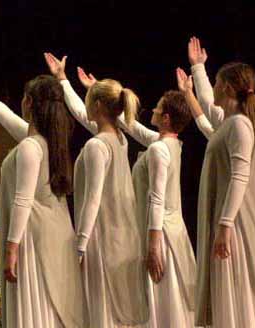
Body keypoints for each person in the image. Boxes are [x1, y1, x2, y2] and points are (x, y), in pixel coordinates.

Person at [0, 72, 86, 327]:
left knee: (38, 307)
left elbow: (22, 200)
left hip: (33, 240)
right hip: (51, 234)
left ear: (31, 103)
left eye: (24, 97)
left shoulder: (31, 146)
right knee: (48, 305)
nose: (21, 102)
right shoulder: (43, 142)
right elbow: (6, 117)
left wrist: (11, 248)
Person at [44, 52, 150, 327]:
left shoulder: (96, 146)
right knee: (115, 310)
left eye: (91, 100)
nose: (86, 107)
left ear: (100, 105)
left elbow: (92, 200)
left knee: (102, 309)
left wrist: (79, 246)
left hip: (100, 238)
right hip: (121, 234)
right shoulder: (120, 138)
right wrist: (65, 81)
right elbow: (85, 115)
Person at [178, 36, 255, 328]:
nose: (212, 88)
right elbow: (207, 113)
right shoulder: (228, 123)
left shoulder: (240, 124)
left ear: (226, 87)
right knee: (228, 288)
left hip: (236, 224)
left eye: (215, 82)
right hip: (226, 222)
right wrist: (199, 68)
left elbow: (240, 177)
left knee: (239, 288)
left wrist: (225, 225)